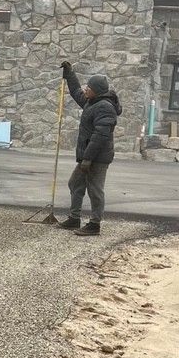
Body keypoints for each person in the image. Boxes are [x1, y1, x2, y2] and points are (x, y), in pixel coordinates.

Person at [58, 61, 122, 236]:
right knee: (75, 183)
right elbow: (77, 92)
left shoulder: (105, 107)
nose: (86, 90)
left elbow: (100, 137)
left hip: (97, 158)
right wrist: (70, 74)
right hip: (87, 156)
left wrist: (87, 159)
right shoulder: (92, 102)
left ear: (97, 90)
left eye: (89, 87)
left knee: (95, 190)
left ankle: (94, 225)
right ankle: (74, 218)